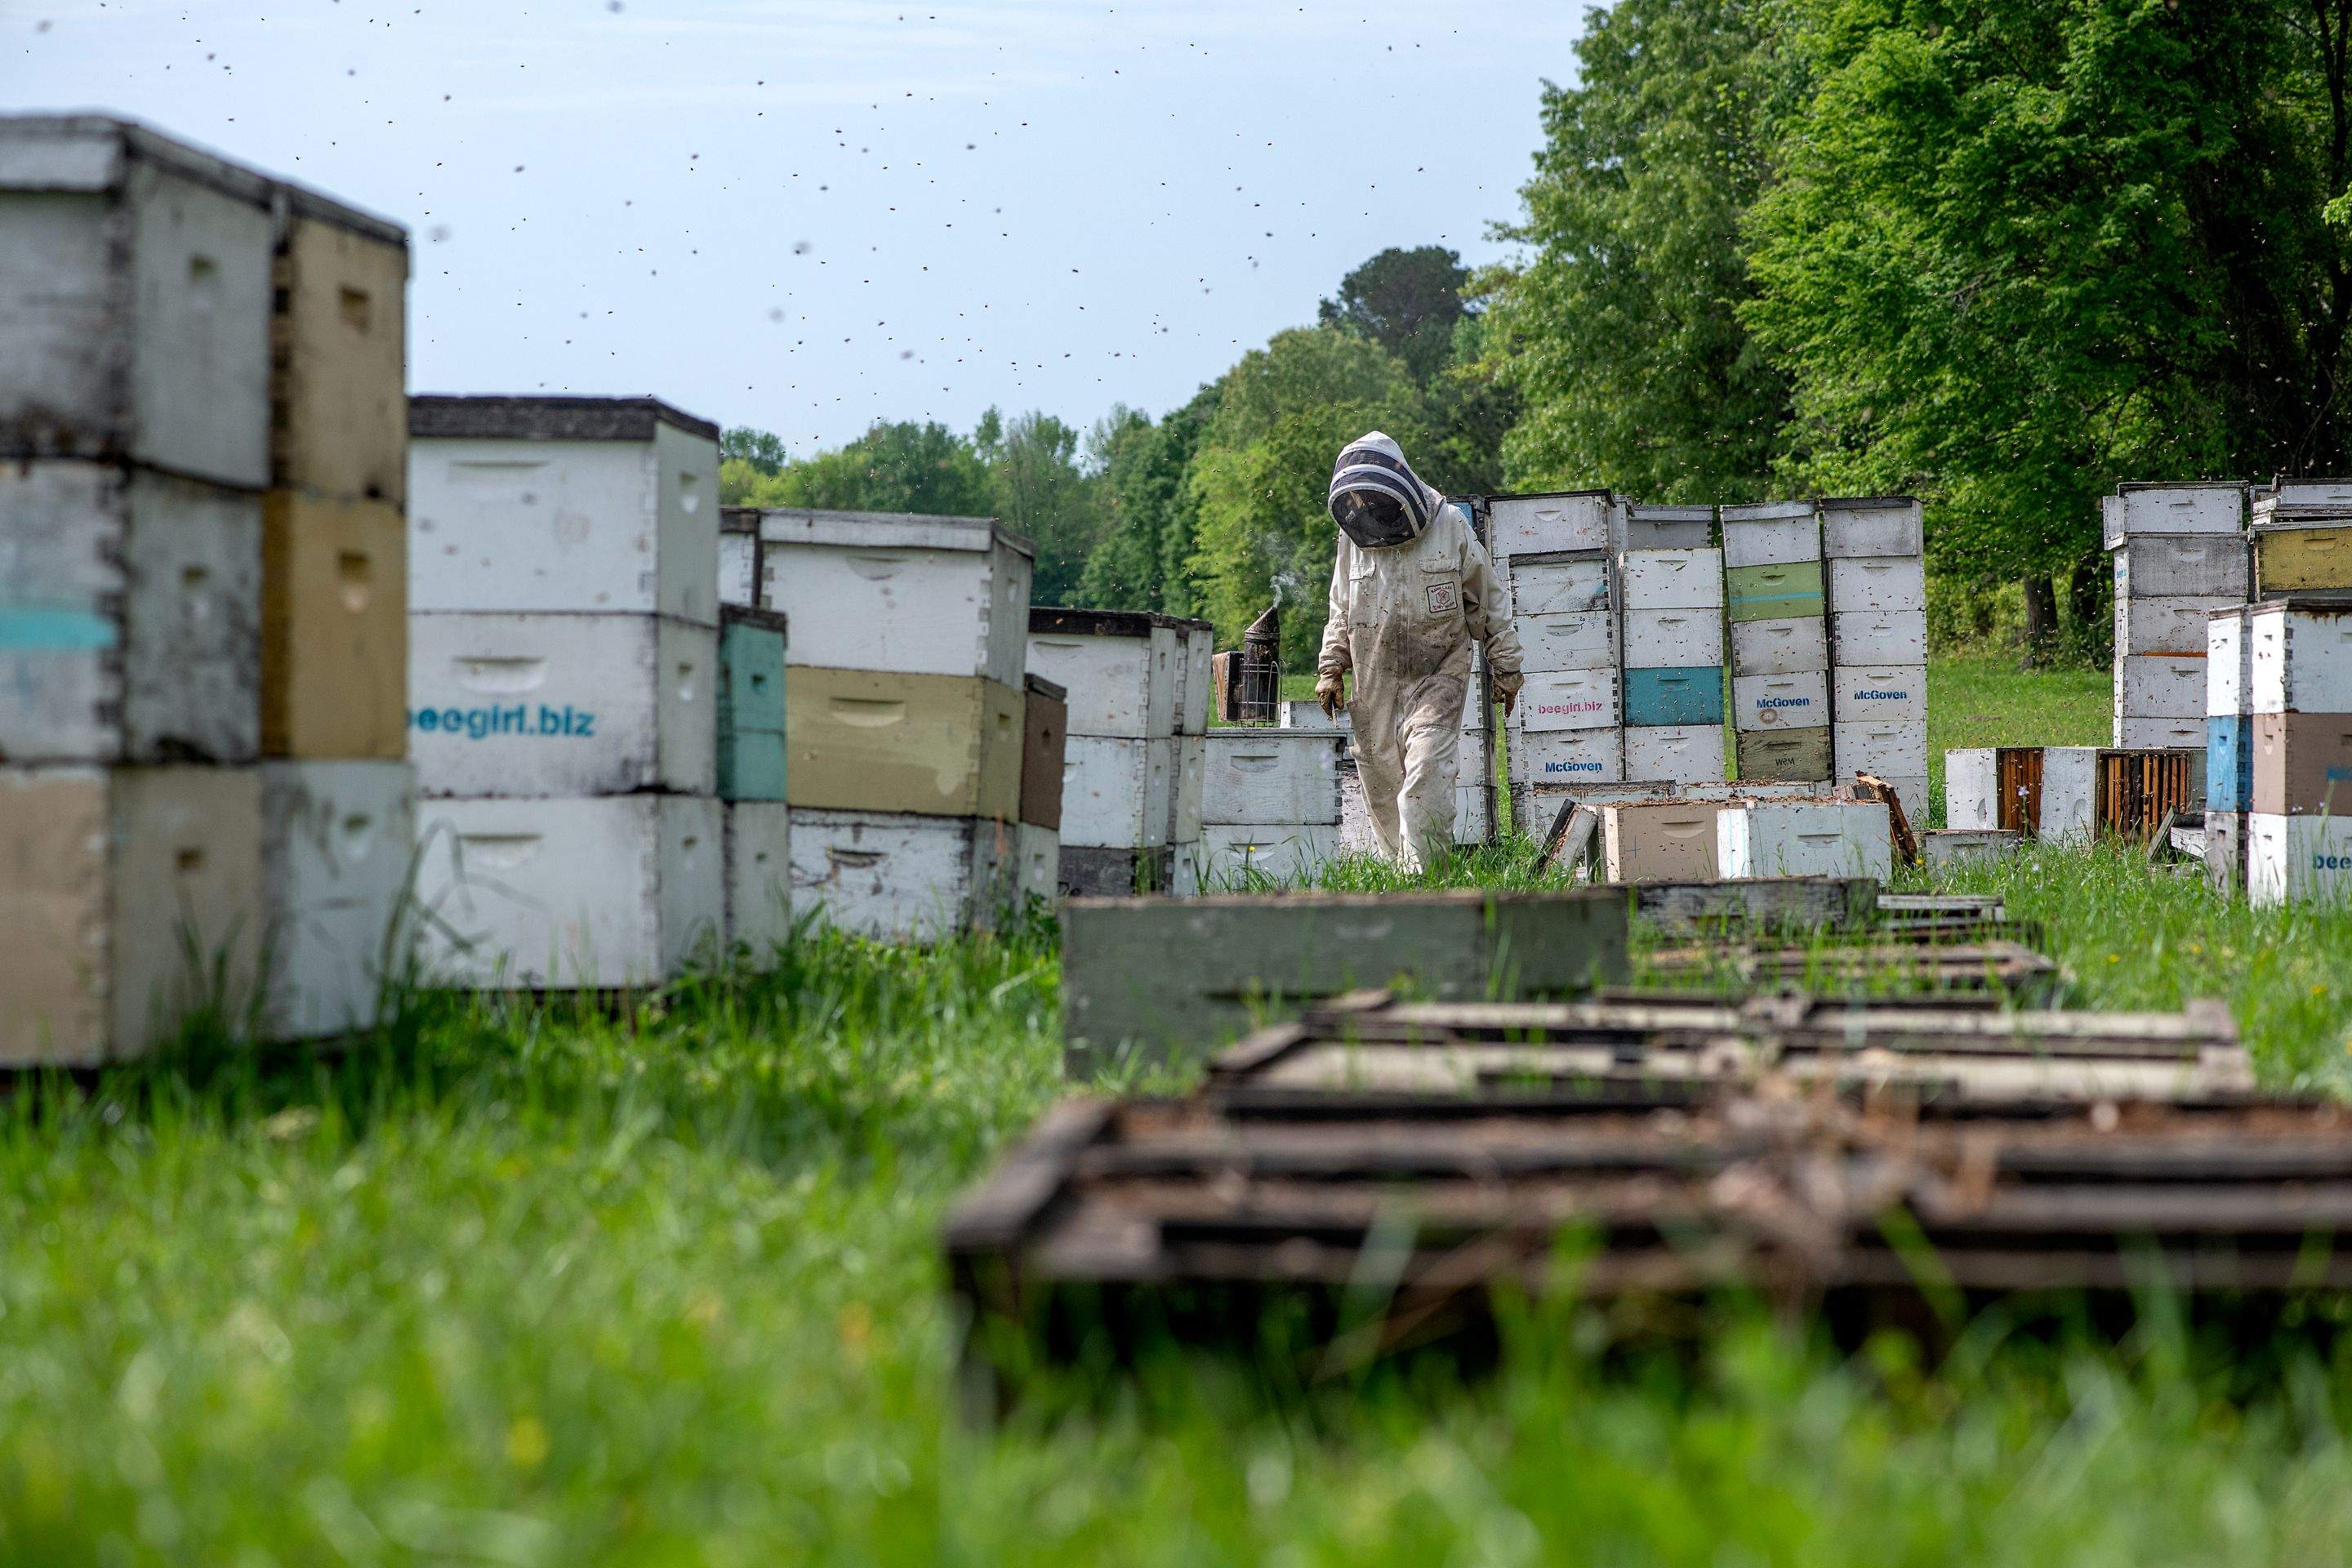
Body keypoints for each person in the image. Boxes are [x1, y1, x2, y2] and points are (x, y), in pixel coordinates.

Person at [1315, 432, 1521, 871]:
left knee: (1427, 773)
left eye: (1376, 504)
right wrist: (1331, 667)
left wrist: (1506, 668)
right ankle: (1400, 884)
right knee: (1381, 786)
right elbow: (1341, 605)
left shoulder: (1449, 525)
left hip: (1438, 675)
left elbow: (1488, 599)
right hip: (1373, 681)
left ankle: (1426, 881)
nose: (1370, 514)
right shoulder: (1353, 537)